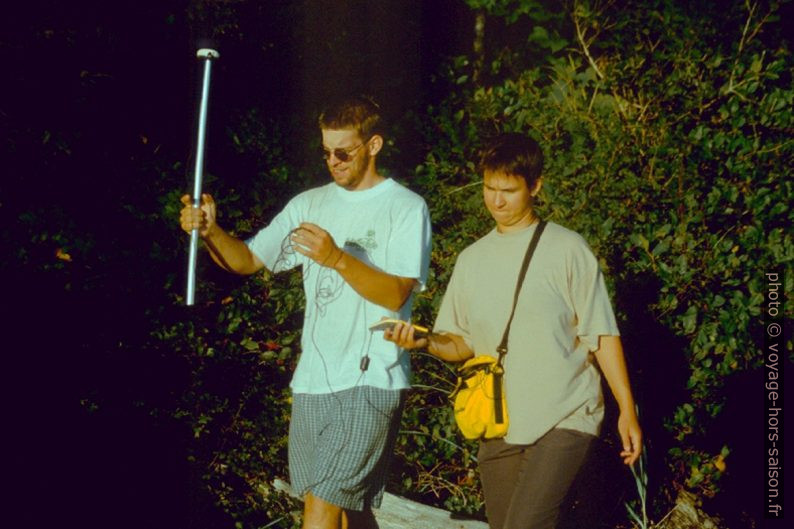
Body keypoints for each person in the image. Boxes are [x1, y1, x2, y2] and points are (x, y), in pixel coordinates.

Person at [180, 95, 431, 529]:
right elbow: (246, 261)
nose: (332, 162)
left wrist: (337, 258)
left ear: (373, 145)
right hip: (314, 377)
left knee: (321, 502)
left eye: (342, 152)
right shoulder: (309, 203)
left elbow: (396, 294)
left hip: (371, 378)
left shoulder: (406, 207)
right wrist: (210, 231)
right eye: (326, 152)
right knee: (345, 509)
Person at [384, 132, 642, 529]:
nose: (497, 201)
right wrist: (424, 341)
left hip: (567, 415)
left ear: (535, 187)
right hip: (500, 423)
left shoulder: (568, 249)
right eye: (489, 188)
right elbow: (462, 343)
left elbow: (602, 334)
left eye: (509, 190)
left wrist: (627, 409)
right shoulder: (472, 260)